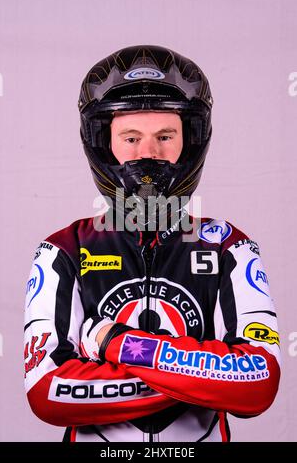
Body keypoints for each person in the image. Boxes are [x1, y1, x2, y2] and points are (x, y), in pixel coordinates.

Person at [24, 45, 280, 442]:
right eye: (130, 137)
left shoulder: (231, 248)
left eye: (165, 136)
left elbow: (258, 383)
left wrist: (116, 343)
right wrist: (202, 378)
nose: (148, 153)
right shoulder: (62, 250)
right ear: (103, 144)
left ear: (190, 142)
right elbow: (48, 393)